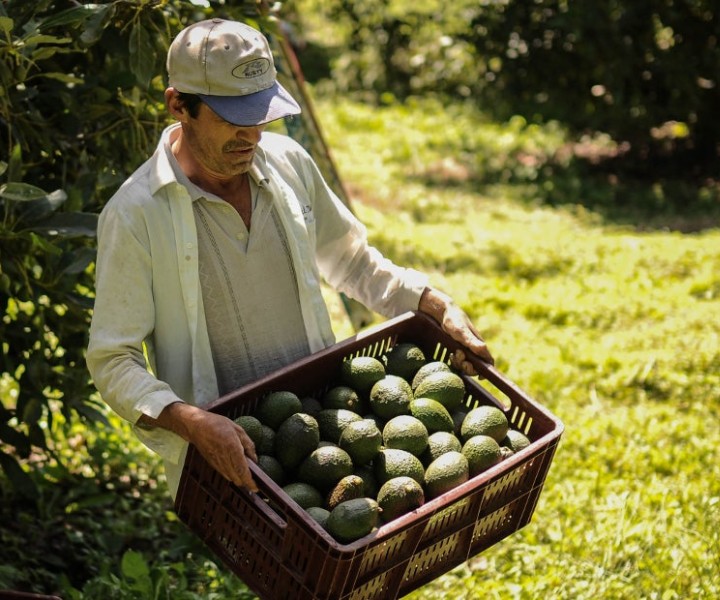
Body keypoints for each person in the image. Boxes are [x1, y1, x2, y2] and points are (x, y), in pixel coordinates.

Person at [86, 18, 493, 500]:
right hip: (233, 455)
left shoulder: (288, 163)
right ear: (179, 105)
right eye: (233, 120)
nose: (251, 137)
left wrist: (431, 302)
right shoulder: (135, 214)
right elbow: (113, 359)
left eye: (260, 116)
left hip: (320, 432)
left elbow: (353, 262)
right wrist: (191, 422)